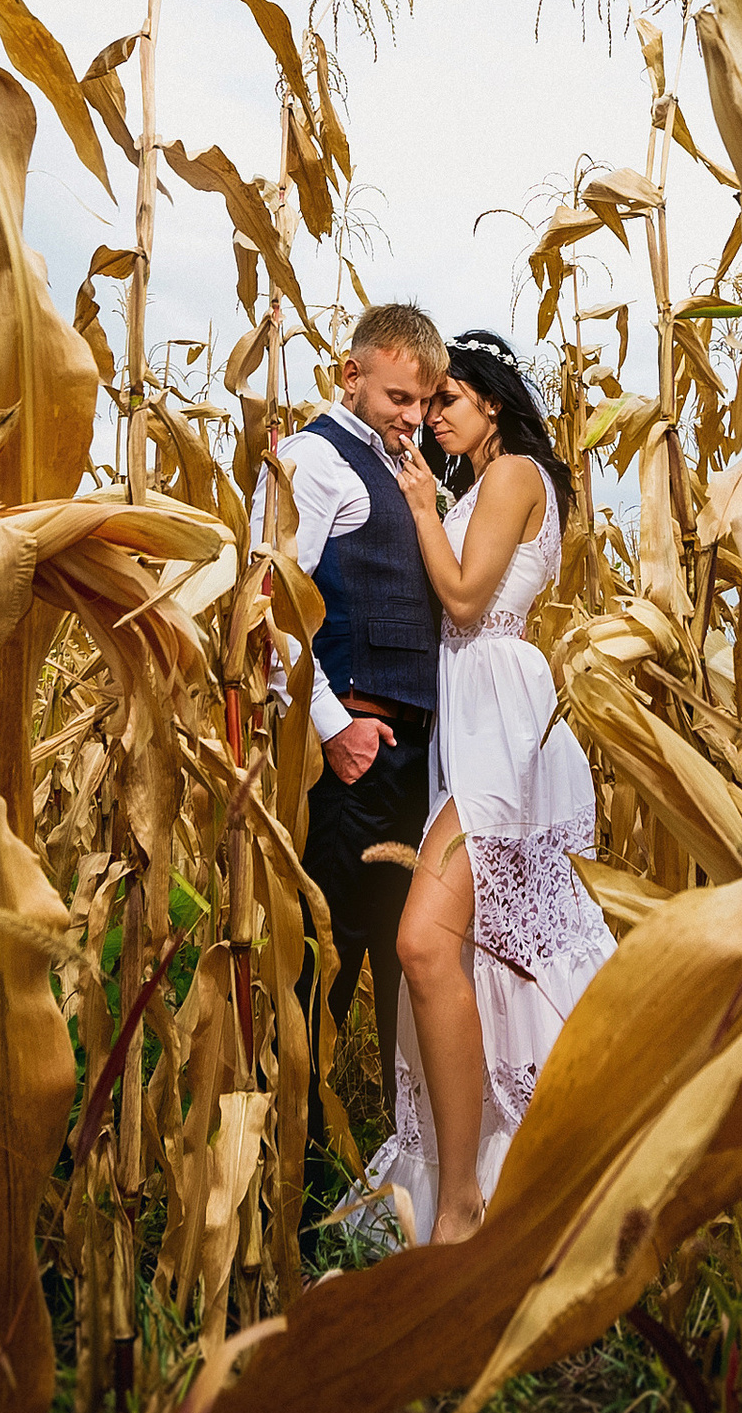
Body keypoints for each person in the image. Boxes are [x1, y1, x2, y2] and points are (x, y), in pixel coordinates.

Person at [364, 328, 616, 1248]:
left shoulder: (511, 477)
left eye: (448, 403)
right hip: (466, 721)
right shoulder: (480, 484)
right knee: (478, 954)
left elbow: (468, 601)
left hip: (502, 723)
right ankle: (497, 1173)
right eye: (427, 406)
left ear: (493, 404)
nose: (434, 418)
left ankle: (466, 1199)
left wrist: (426, 506)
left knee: (425, 941)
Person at [261, 302, 450, 1168]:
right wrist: (335, 730)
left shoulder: (400, 469)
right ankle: (282, 1174)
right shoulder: (313, 462)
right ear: (351, 375)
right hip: (351, 759)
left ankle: (376, 1158)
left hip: (408, 763)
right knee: (323, 969)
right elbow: (263, 612)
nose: (415, 418)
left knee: (395, 969)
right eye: (401, 398)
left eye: (425, 403)